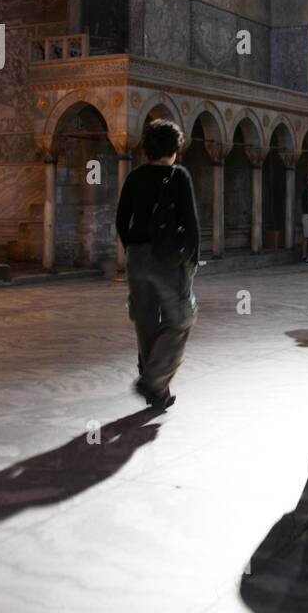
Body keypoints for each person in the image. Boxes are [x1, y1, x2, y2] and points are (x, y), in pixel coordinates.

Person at [115, 118, 200, 411]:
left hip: (137, 258)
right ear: (175, 148)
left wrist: (133, 251)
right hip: (169, 260)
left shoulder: (135, 177)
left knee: (146, 323)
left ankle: (158, 392)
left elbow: (121, 219)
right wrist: (192, 260)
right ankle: (152, 379)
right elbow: (191, 223)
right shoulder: (179, 176)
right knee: (180, 321)